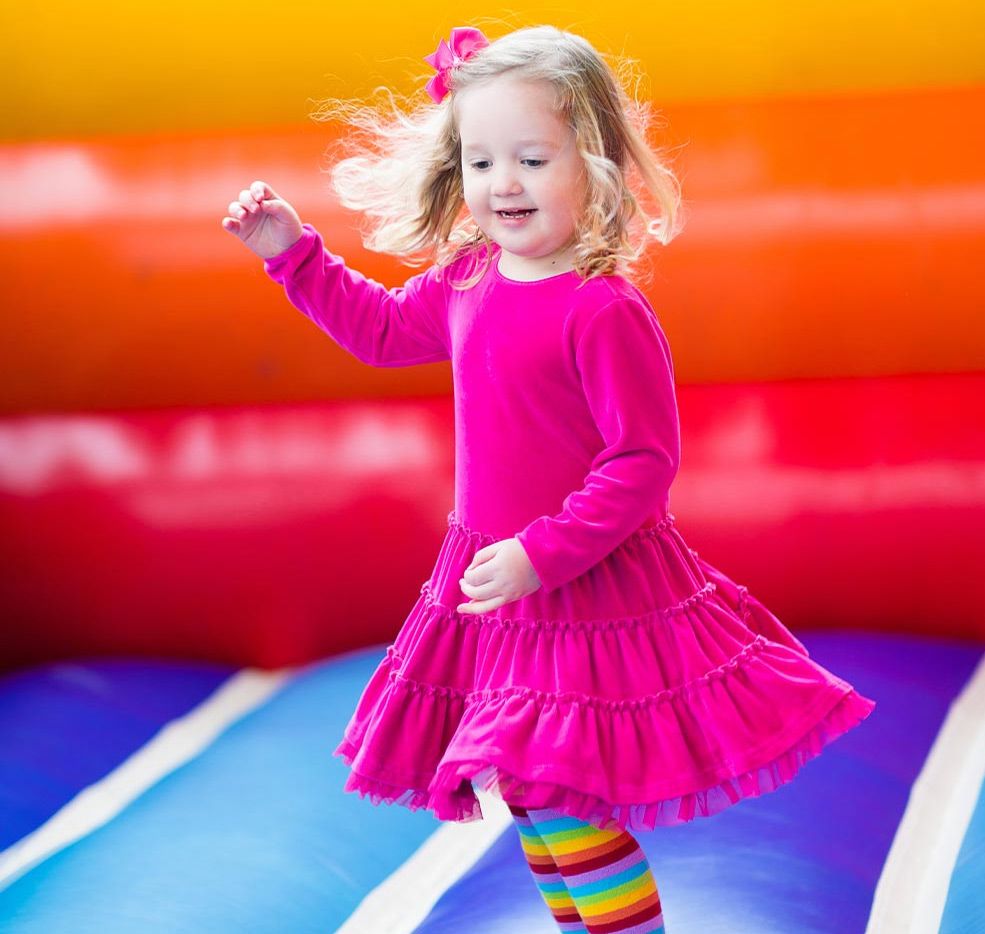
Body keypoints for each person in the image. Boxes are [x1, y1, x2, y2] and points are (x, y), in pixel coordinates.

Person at [221, 24, 877, 934]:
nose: (504, 184)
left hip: (582, 586)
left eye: (531, 158)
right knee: (533, 800)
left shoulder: (602, 309)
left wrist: (541, 553)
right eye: (482, 161)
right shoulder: (467, 280)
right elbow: (376, 331)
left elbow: (642, 462)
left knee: (564, 798)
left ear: (594, 165)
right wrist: (292, 253)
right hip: (499, 587)